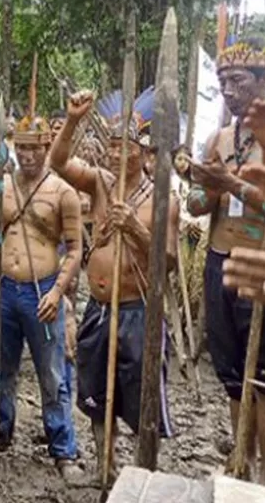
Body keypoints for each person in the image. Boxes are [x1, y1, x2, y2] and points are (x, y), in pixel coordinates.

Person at [186, 38, 265, 483]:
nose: (228, 92)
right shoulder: (220, 137)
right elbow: (198, 202)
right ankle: (243, 463)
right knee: (234, 375)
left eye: (237, 82)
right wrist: (209, 187)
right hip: (220, 260)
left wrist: (230, 184)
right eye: (222, 84)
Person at [48, 91, 178, 481]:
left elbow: (168, 263)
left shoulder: (161, 198)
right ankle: (106, 467)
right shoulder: (100, 183)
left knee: (139, 400)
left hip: (137, 312)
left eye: (125, 146)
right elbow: (58, 162)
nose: (115, 153)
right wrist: (72, 120)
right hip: (99, 308)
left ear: (143, 152)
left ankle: (140, 473)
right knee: (96, 395)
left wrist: (136, 229)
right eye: (111, 145)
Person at [0, 115, 83, 478]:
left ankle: (63, 450)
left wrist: (58, 291)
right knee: (2, 369)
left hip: (42, 291)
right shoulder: (2, 185)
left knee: (52, 374)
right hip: (6, 291)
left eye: (35, 147)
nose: (28, 154)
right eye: (22, 147)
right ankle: (0, 432)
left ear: (46, 148)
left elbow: (75, 250)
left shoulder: (63, 193)